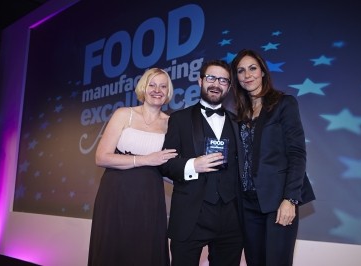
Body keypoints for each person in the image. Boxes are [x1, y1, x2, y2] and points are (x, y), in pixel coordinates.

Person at [230, 49, 316, 266]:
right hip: (247, 203)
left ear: (263, 72)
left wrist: (290, 199)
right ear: (237, 78)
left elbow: (297, 153)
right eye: (241, 71)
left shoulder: (284, 103)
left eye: (252, 68)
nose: (247, 75)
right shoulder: (239, 114)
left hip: (278, 201)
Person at [88, 68, 178, 266]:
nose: (157, 90)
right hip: (116, 192)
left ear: (168, 91)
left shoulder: (171, 123)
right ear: (143, 88)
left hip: (150, 196)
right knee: (112, 249)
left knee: (145, 250)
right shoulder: (123, 114)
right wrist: (145, 159)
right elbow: (101, 157)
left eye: (163, 86)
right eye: (152, 85)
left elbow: (167, 167)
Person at [159, 60, 244, 266]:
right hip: (190, 215)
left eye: (223, 80)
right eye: (211, 78)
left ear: (229, 87)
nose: (216, 84)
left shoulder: (239, 122)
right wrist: (192, 166)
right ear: (200, 81)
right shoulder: (179, 119)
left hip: (231, 219)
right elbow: (166, 164)